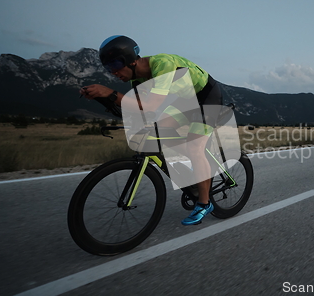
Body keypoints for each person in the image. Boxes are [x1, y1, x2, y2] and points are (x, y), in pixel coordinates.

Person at [80, 35, 223, 225]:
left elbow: (150, 105)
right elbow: (139, 108)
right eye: (108, 68)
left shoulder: (162, 64)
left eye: (114, 64)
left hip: (206, 98)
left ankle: (205, 203)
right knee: (161, 132)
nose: (113, 72)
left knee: (195, 148)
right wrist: (101, 98)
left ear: (130, 59)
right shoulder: (137, 81)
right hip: (184, 103)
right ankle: (194, 170)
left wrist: (110, 93)